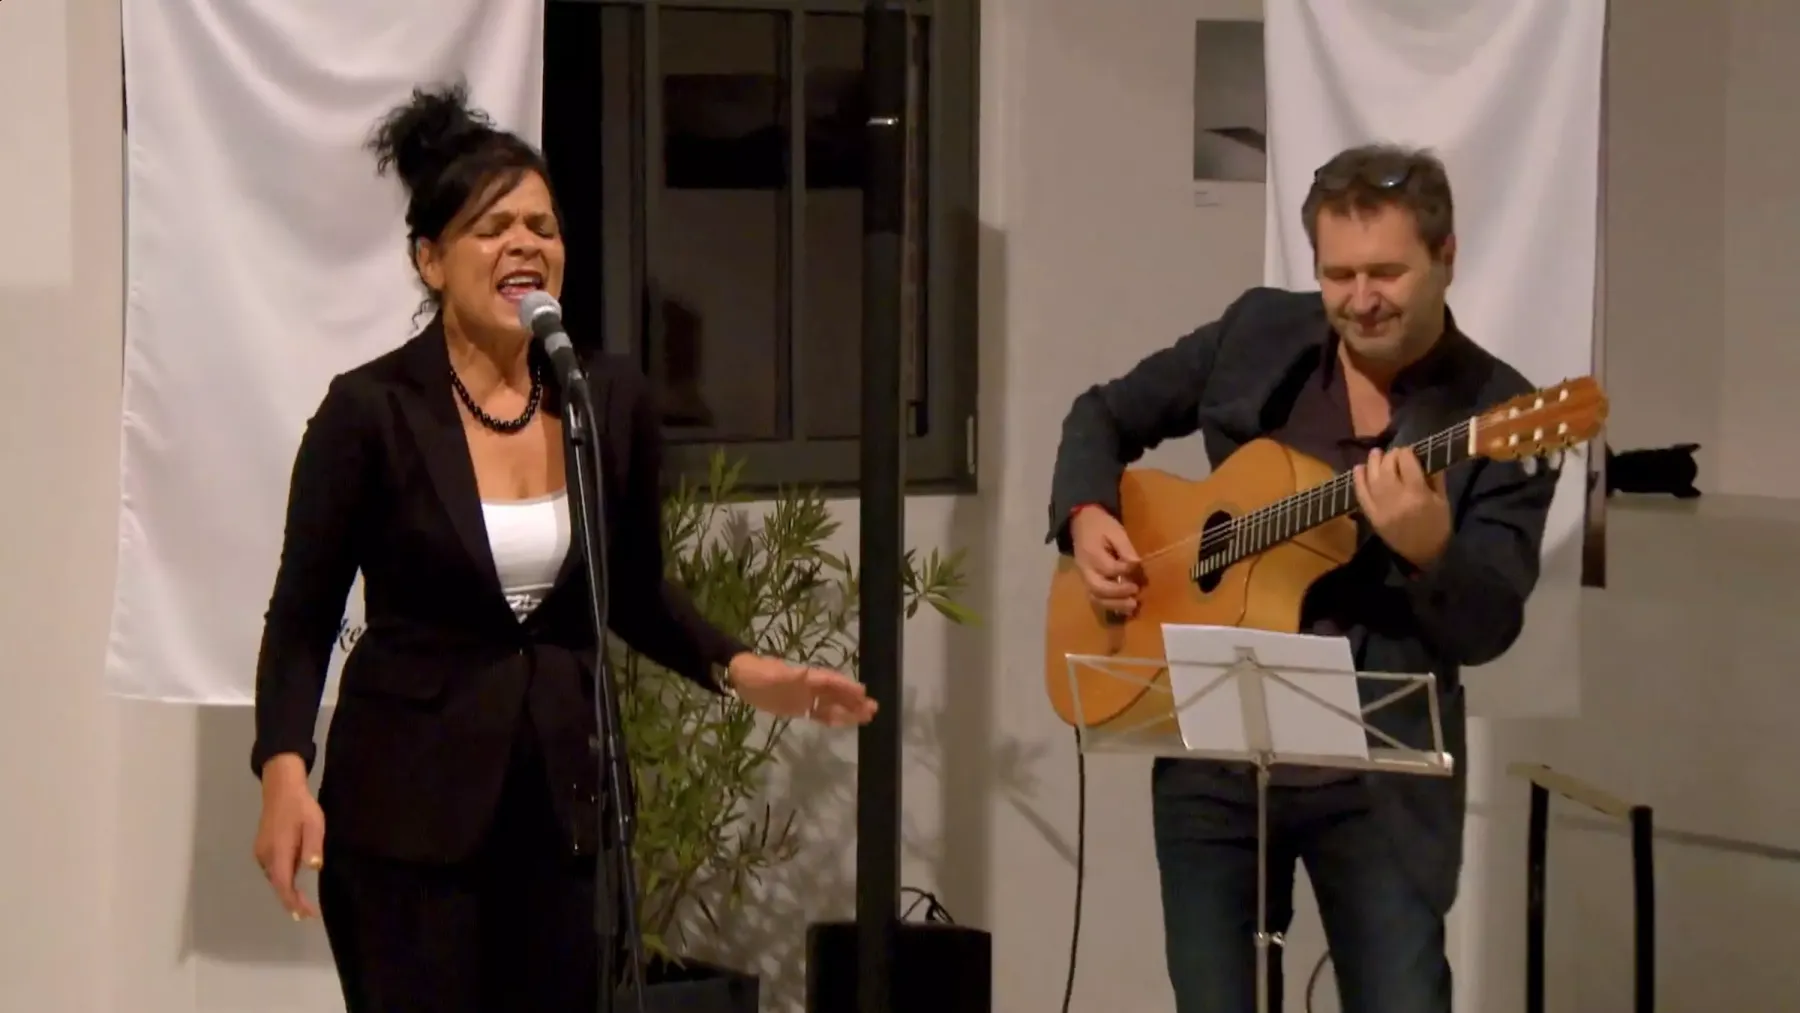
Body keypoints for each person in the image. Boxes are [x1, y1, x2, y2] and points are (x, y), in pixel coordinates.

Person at [250, 82, 878, 1013]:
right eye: (493, 227)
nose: (525, 244)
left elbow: (635, 591)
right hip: (407, 820)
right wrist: (284, 770)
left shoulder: (604, 401)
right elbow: (302, 618)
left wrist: (750, 672)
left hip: (563, 814)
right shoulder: (370, 411)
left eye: (542, 227)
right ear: (431, 260)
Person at [1046, 144, 1559, 1013]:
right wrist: (1088, 512)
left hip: (1379, 780)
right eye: (1338, 274)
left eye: (1387, 273)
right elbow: (1102, 413)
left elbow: (1488, 625)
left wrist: (1431, 550)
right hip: (1213, 755)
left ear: (1446, 257)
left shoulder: (1499, 414)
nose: (1361, 299)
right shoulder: (1260, 334)